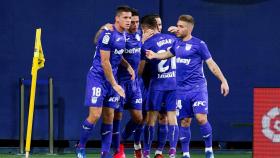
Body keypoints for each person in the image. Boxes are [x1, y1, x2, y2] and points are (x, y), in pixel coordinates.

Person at [146, 14, 229, 158]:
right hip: (181, 90)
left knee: (201, 118)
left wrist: (223, 80)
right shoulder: (176, 43)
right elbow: (167, 54)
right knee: (184, 121)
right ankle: (185, 153)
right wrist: (154, 55)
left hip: (198, 88)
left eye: (181, 26)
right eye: (177, 25)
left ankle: (209, 150)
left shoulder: (199, 44)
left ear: (189, 28)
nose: (177, 28)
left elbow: (211, 64)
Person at [75, 6, 133, 158]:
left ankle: (105, 153)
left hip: (112, 80)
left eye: (130, 18)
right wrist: (115, 84)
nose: (129, 21)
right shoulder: (107, 35)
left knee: (109, 117)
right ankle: (80, 147)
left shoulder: (124, 35)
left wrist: (128, 66)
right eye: (125, 18)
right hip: (98, 79)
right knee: (95, 115)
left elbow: (117, 55)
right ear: (117, 18)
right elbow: (105, 62)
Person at [140, 15, 179, 158]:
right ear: (157, 26)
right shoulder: (173, 39)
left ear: (145, 28)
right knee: (171, 118)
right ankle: (172, 152)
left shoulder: (146, 44)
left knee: (151, 119)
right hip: (173, 84)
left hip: (157, 84)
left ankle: (146, 153)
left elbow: (139, 71)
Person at [111, 8, 143, 158]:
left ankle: (121, 140)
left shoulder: (139, 34)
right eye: (131, 21)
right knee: (117, 117)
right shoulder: (119, 36)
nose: (134, 24)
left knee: (138, 118)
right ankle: (118, 150)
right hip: (120, 82)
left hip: (134, 85)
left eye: (137, 22)